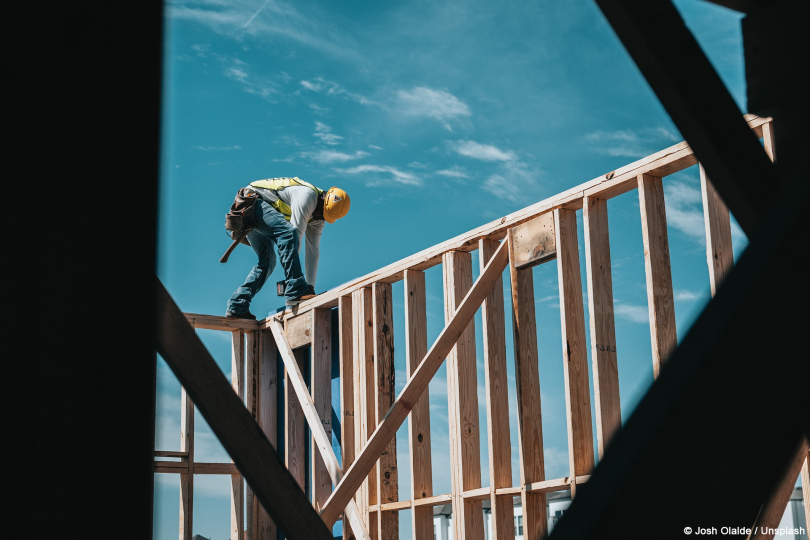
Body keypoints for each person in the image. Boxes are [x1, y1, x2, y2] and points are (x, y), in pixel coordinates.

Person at [226, 177, 350, 319]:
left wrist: (310, 287)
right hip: (250, 202)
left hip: (258, 211)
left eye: (323, 216)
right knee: (288, 233)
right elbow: (294, 235)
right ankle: (295, 289)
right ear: (323, 199)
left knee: (267, 263)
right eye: (320, 213)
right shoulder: (307, 196)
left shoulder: (319, 216)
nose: (319, 218)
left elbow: (313, 251)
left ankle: (237, 305)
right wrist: (296, 286)